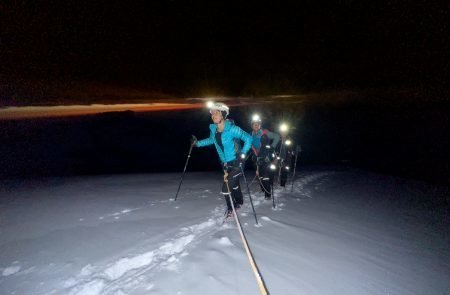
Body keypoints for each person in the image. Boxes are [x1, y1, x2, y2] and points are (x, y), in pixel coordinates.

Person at [192, 102, 252, 215]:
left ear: (223, 114)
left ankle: (231, 209)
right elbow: (211, 140)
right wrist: (197, 143)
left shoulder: (233, 129)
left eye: (217, 113)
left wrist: (242, 154)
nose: (213, 115)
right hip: (225, 163)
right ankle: (239, 202)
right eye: (212, 113)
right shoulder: (213, 129)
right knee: (234, 184)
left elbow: (248, 138)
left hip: (236, 162)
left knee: (227, 187)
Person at [250, 115, 280, 199]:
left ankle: (268, 195)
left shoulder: (265, 133)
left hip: (266, 157)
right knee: (260, 176)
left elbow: (277, 137)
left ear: (260, 125)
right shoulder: (250, 135)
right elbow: (250, 145)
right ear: (252, 125)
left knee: (265, 175)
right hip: (257, 158)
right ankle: (264, 189)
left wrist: (272, 147)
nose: (256, 126)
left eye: (257, 124)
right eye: (254, 124)